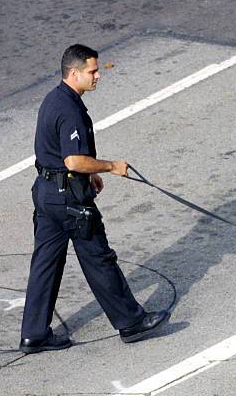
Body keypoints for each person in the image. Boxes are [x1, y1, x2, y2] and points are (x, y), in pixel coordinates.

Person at [19, 44, 170, 354]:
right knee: (98, 258)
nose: (98, 75)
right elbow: (74, 160)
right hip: (69, 199)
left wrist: (90, 173)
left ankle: (34, 333)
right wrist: (111, 166)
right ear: (74, 73)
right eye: (92, 71)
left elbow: (61, 156)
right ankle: (131, 321)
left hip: (46, 193)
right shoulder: (70, 109)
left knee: (45, 264)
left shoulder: (53, 99)